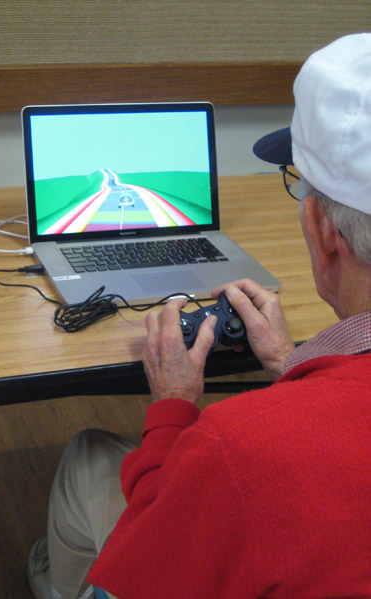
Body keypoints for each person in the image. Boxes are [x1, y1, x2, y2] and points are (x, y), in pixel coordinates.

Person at [28, 33, 371, 599]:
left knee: (88, 457)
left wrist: (172, 408)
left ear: (322, 230)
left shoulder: (238, 449)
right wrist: (293, 365)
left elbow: (147, 575)